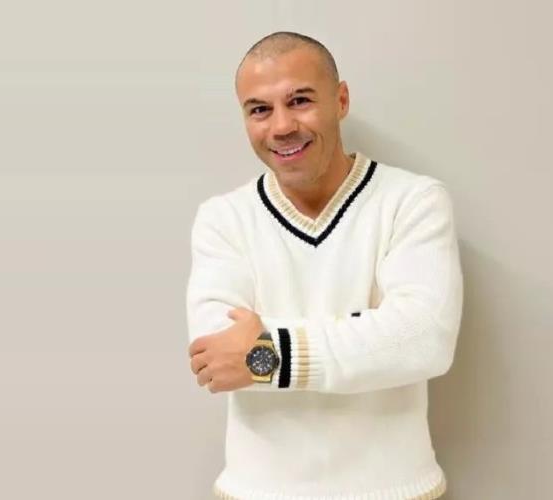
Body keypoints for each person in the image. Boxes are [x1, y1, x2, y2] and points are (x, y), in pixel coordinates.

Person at [185, 31, 463, 500]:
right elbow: (217, 355)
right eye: (259, 109)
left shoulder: (413, 201)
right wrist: (369, 332)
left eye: (300, 100)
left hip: (395, 491)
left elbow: (423, 338)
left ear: (341, 100)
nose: (281, 126)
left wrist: (268, 353)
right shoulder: (223, 218)